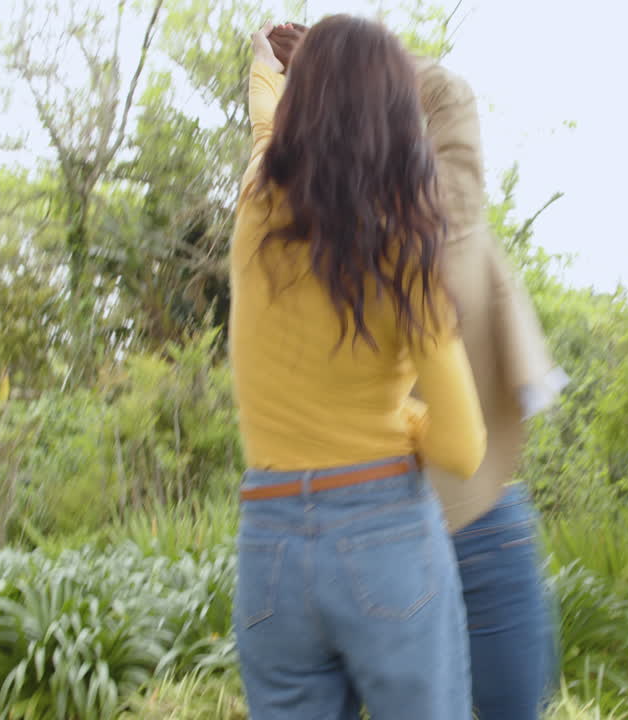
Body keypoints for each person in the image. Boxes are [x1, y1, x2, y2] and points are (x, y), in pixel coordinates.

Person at [270, 22, 567, 720]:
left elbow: (443, 101)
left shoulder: (438, 218)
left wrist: (341, 62)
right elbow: (442, 97)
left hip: (467, 524)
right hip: (368, 540)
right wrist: (347, 67)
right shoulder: (302, 236)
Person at [229, 16, 486, 720]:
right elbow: (463, 450)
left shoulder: (257, 203)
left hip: (271, 540)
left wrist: (269, 61)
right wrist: (399, 418)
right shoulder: (406, 249)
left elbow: (263, 123)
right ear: (399, 121)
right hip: (385, 535)